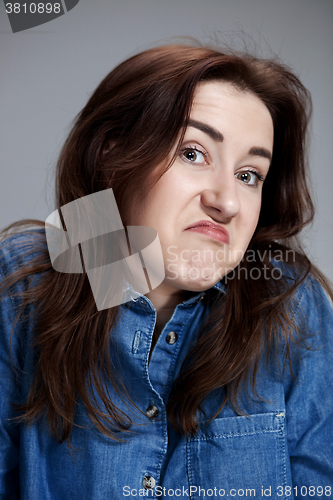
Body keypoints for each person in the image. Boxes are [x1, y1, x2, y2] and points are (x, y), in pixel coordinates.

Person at [0, 43, 332, 499]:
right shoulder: (27, 276)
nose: (226, 202)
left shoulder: (289, 299)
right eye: (193, 153)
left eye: (249, 175)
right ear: (112, 155)